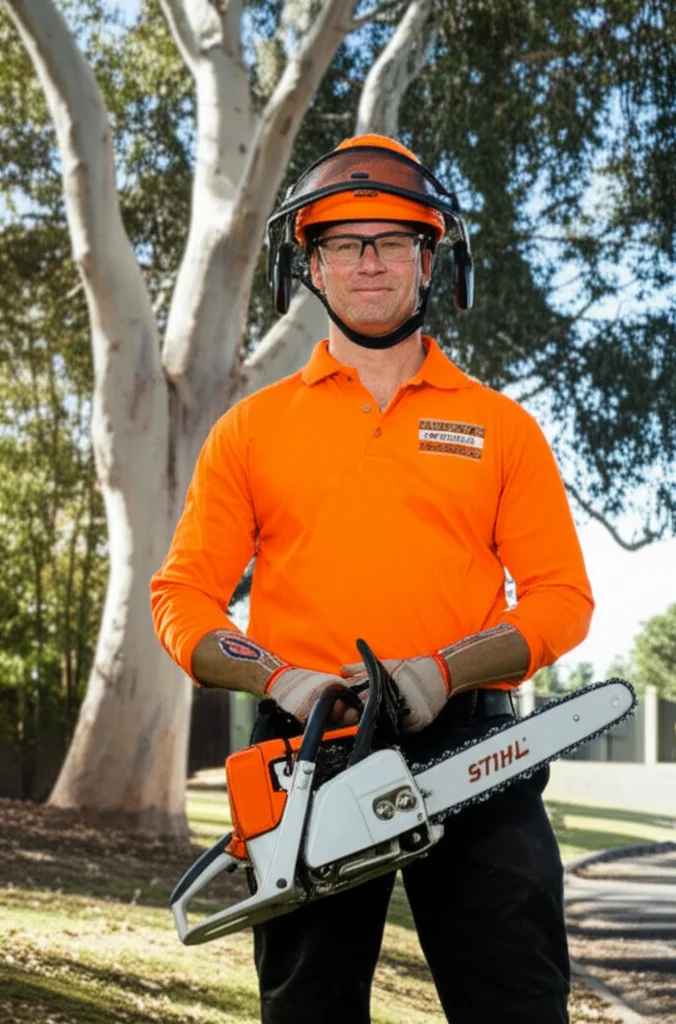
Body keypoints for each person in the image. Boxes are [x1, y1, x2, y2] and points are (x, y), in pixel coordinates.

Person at [151, 133, 594, 1024]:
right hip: (308, 751)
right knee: (309, 1009)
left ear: (432, 258)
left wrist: (442, 671)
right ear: (307, 265)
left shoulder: (501, 428)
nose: (368, 262)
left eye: (393, 239)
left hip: (472, 749)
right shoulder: (252, 430)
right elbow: (183, 598)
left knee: (518, 1002)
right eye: (342, 242)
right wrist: (283, 677)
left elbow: (561, 599)